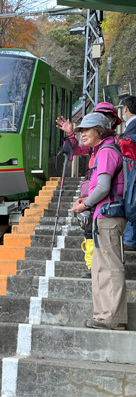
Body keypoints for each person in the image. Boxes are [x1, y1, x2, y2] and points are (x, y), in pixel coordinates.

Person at [72, 112, 127, 330]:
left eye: (87, 130)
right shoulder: (105, 149)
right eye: (81, 130)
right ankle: (104, 315)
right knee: (100, 267)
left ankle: (112, 318)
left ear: (100, 131)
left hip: (108, 216)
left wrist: (85, 205)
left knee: (109, 267)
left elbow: (104, 188)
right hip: (105, 215)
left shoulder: (105, 152)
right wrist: (87, 199)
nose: (82, 134)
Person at [56, 102, 122, 278]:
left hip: (107, 200)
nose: (104, 119)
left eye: (107, 117)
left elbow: (105, 185)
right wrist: (70, 133)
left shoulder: (111, 147)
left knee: (97, 237)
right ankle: (91, 266)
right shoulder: (98, 146)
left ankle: (94, 267)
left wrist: (87, 202)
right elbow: (77, 149)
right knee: (88, 231)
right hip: (94, 193)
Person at [119, 96, 136, 251]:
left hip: (132, 173)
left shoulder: (133, 126)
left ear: (126, 109)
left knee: (131, 201)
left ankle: (130, 240)